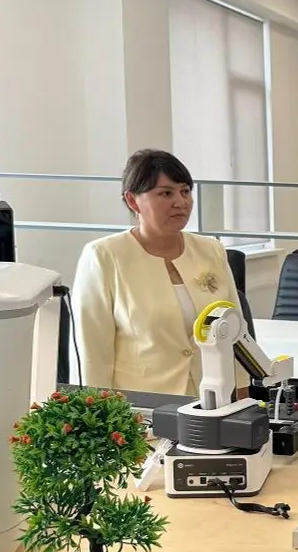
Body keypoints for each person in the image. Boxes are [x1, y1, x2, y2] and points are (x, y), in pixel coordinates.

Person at [72, 149, 247, 395]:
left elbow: (235, 331)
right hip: (138, 405)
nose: (181, 202)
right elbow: (92, 350)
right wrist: (97, 412)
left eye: (185, 191)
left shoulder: (210, 250)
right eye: (166, 193)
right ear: (133, 201)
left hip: (211, 397)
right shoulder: (104, 255)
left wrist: (241, 396)